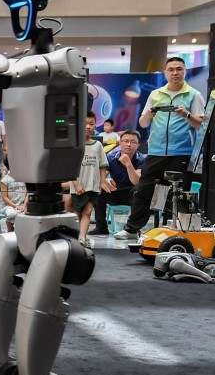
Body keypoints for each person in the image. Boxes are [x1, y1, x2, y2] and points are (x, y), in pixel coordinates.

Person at [115, 57, 205, 240]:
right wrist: (149, 114)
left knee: (177, 193)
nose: (175, 73)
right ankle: (132, 229)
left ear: (185, 71)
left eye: (179, 69)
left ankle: (174, 231)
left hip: (181, 152)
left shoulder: (193, 95)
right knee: (143, 190)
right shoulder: (155, 94)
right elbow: (142, 122)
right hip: (155, 151)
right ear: (165, 72)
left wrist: (186, 114)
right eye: (171, 69)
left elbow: (200, 124)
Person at [71, 112, 115, 247]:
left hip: (93, 186)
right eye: (84, 123)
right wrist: (76, 184)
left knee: (88, 211)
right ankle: (81, 236)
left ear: (96, 125)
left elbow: (103, 165)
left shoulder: (97, 145)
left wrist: (102, 182)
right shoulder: (73, 145)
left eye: (91, 124)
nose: (88, 127)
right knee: (80, 212)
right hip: (78, 187)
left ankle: (82, 237)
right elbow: (70, 168)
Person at [91, 129, 147, 235]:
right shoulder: (111, 157)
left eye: (133, 142)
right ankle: (101, 227)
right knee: (99, 189)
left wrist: (128, 164)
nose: (128, 144)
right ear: (120, 143)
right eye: (125, 141)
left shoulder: (143, 159)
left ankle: (131, 229)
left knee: (138, 190)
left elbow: (136, 181)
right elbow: (99, 177)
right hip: (116, 191)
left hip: (134, 195)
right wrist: (105, 181)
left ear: (138, 145)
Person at [0, 156, 29, 232]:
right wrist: (15, 206)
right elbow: (5, 198)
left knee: (30, 214)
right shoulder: (5, 180)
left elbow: (28, 193)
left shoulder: (25, 178)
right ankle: (10, 231)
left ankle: (21, 233)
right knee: (11, 214)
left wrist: (24, 205)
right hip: (9, 206)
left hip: (23, 204)